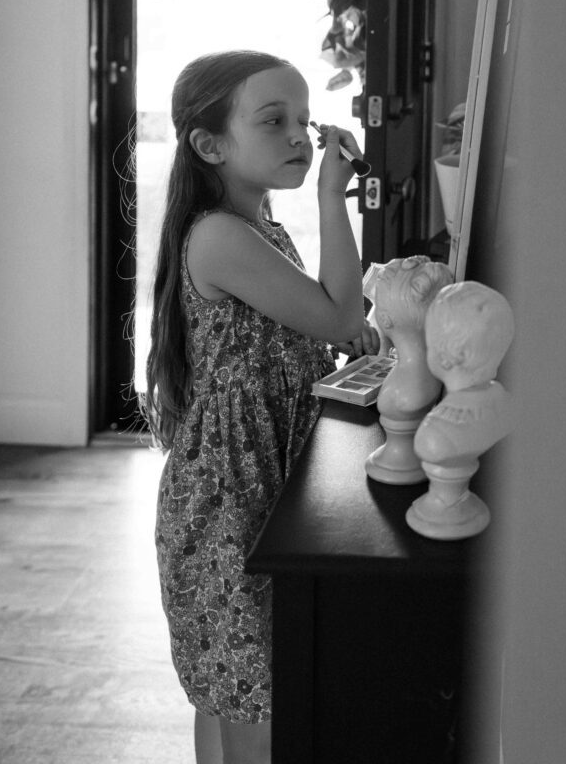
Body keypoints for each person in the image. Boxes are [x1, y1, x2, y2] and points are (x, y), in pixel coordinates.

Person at [143, 50, 377, 764]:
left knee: (234, 690)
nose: (300, 137)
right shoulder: (219, 235)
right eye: (273, 120)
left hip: (249, 487)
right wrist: (333, 198)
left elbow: (332, 316)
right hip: (227, 501)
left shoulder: (258, 229)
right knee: (249, 698)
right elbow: (339, 317)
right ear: (210, 145)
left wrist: (344, 327)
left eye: (303, 119)